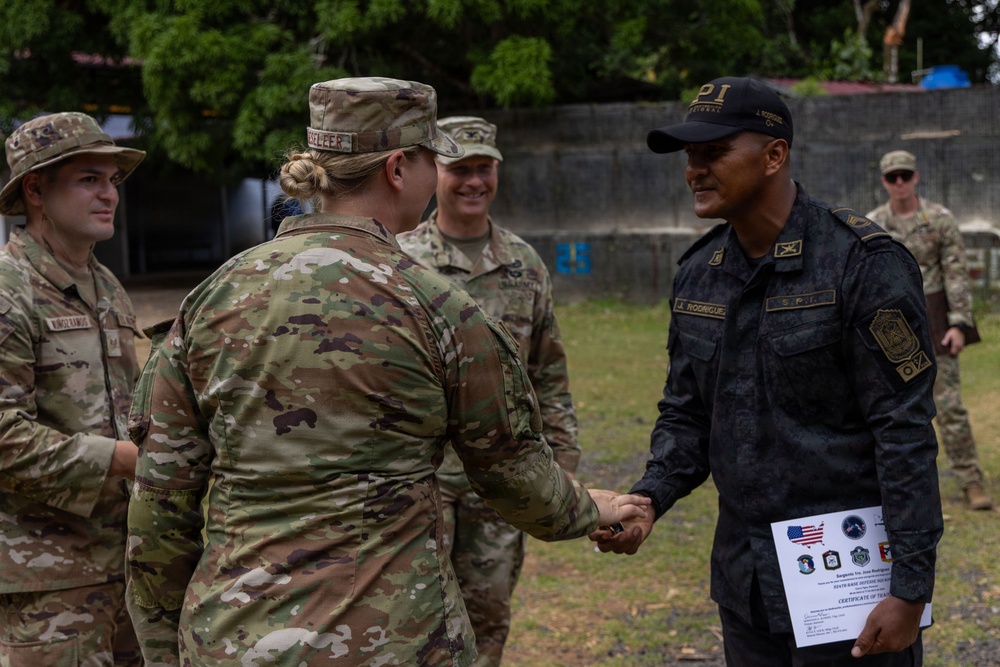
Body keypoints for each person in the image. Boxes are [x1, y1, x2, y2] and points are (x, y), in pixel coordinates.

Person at [123, 77, 649, 667]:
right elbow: (514, 477)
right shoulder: (440, 307)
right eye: (433, 160)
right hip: (396, 642)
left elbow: (159, 506)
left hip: (231, 638)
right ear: (399, 168)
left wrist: (167, 649)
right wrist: (591, 508)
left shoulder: (209, 300)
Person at [591, 77, 944, 666]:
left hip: (851, 588)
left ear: (774, 154)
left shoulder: (862, 264)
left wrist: (910, 588)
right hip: (747, 583)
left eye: (715, 152)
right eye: (690, 157)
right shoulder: (699, 273)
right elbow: (687, 412)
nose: (695, 170)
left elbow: (903, 432)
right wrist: (650, 498)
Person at [397, 116, 580, 666]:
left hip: (501, 476)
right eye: (459, 170)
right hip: (420, 475)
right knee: (414, 617)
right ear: (436, 174)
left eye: (484, 169)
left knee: (489, 613)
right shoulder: (401, 258)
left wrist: (563, 464)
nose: (474, 182)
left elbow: (549, 372)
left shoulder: (524, 264)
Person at [0, 112, 145, 664]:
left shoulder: (103, 283)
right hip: (49, 577)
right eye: (89, 179)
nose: (109, 194)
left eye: (112, 180)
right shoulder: (10, 293)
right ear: (35, 189)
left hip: (125, 563)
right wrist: (122, 459)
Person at [866, 150, 993, 511]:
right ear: (884, 182)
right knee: (890, 410)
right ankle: (896, 486)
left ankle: (970, 480)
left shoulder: (939, 219)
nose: (900, 182)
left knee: (949, 406)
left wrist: (959, 324)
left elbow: (956, 272)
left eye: (906, 175)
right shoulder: (873, 223)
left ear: (916, 177)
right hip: (890, 326)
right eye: (893, 177)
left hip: (935, 318)